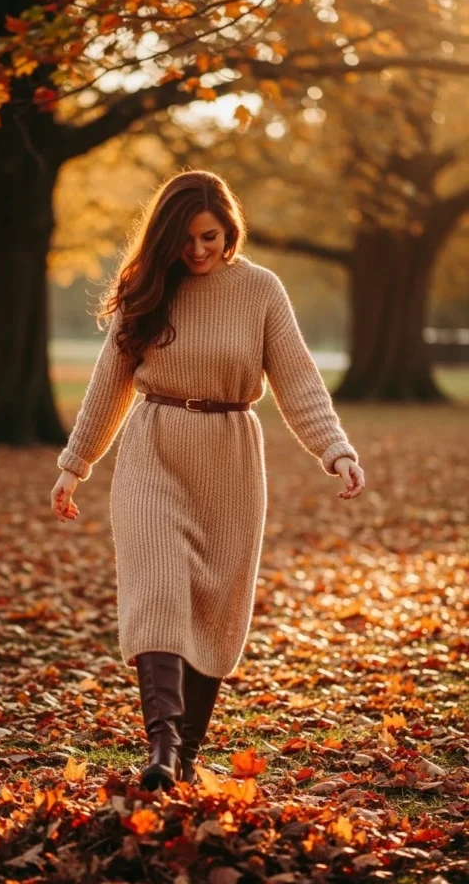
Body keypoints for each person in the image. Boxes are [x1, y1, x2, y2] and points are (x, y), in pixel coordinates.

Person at [51, 170, 365, 793]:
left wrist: (336, 451)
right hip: (153, 449)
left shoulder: (261, 290)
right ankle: (162, 747)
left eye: (209, 237)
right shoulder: (147, 289)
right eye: (185, 239)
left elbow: (298, 381)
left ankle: (187, 754)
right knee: (157, 589)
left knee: (216, 603)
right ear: (165, 237)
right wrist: (74, 463)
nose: (197, 250)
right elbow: (109, 386)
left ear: (229, 232)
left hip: (230, 461)